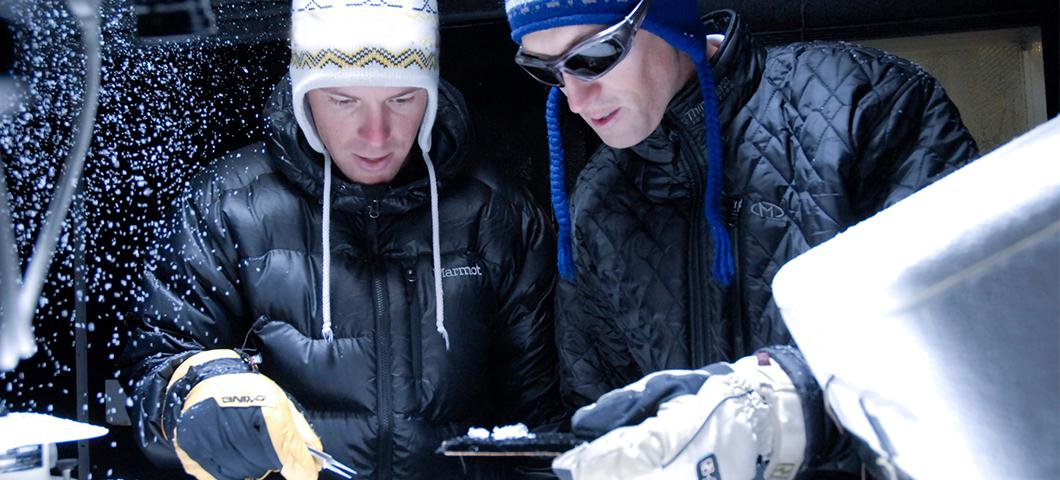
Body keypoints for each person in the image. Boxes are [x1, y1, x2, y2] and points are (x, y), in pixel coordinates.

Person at [504, 0, 978, 477]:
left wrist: (792, 404)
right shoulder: (597, 203)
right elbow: (602, 407)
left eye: (593, 56)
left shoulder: (867, 104)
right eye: (546, 71)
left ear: (667, 19)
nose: (575, 99)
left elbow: (966, 330)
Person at [119, 1, 561, 479]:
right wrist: (197, 391)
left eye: (402, 99)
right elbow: (155, 372)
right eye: (343, 100)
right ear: (304, 98)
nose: (376, 136)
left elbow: (538, 425)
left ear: (431, 98)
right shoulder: (228, 204)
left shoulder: (497, 212)